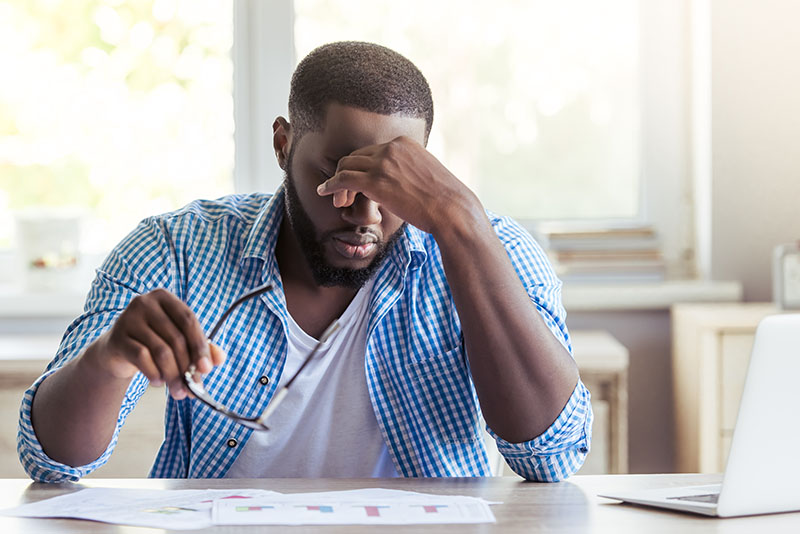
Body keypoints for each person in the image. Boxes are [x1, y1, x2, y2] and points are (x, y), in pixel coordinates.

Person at [18, 41, 592, 483]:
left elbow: (552, 457)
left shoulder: (490, 250)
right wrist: (108, 361)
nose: (362, 210)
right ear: (283, 145)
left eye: (388, 177)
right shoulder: (177, 248)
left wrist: (461, 222)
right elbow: (52, 464)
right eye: (335, 173)